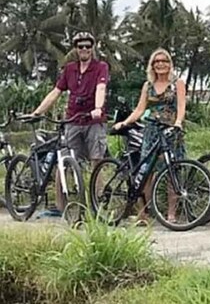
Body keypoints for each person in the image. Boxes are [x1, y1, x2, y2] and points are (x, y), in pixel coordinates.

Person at [31, 31, 109, 217]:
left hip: (93, 120)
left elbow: (101, 88)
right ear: (75, 49)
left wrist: (98, 107)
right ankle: (61, 205)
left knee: (96, 161)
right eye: (80, 46)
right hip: (72, 120)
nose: (84, 49)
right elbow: (56, 92)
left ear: (92, 48)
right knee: (63, 162)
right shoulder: (70, 69)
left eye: (87, 46)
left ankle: (98, 204)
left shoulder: (100, 67)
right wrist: (37, 112)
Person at [114, 48, 186, 224]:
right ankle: (144, 213)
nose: (160, 64)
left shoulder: (177, 84)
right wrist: (124, 123)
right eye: (157, 61)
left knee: (172, 172)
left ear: (170, 64)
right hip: (152, 131)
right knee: (147, 172)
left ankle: (171, 214)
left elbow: (181, 106)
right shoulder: (148, 86)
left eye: (164, 61)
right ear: (152, 65)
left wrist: (178, 123)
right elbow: (140, 109)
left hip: (171, 131)